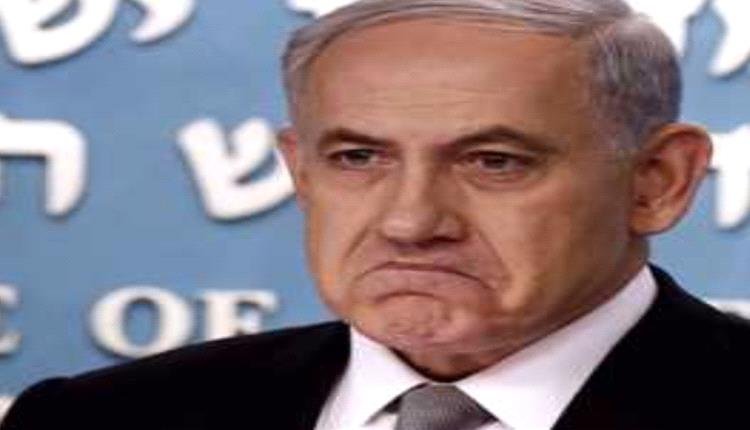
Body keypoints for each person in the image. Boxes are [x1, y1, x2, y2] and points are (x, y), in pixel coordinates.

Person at [4, 0, 750, 429]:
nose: (410, 222)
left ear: (658, 181)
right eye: (358, 158)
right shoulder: (98, 422)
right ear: (300, 172)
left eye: (494, 162)